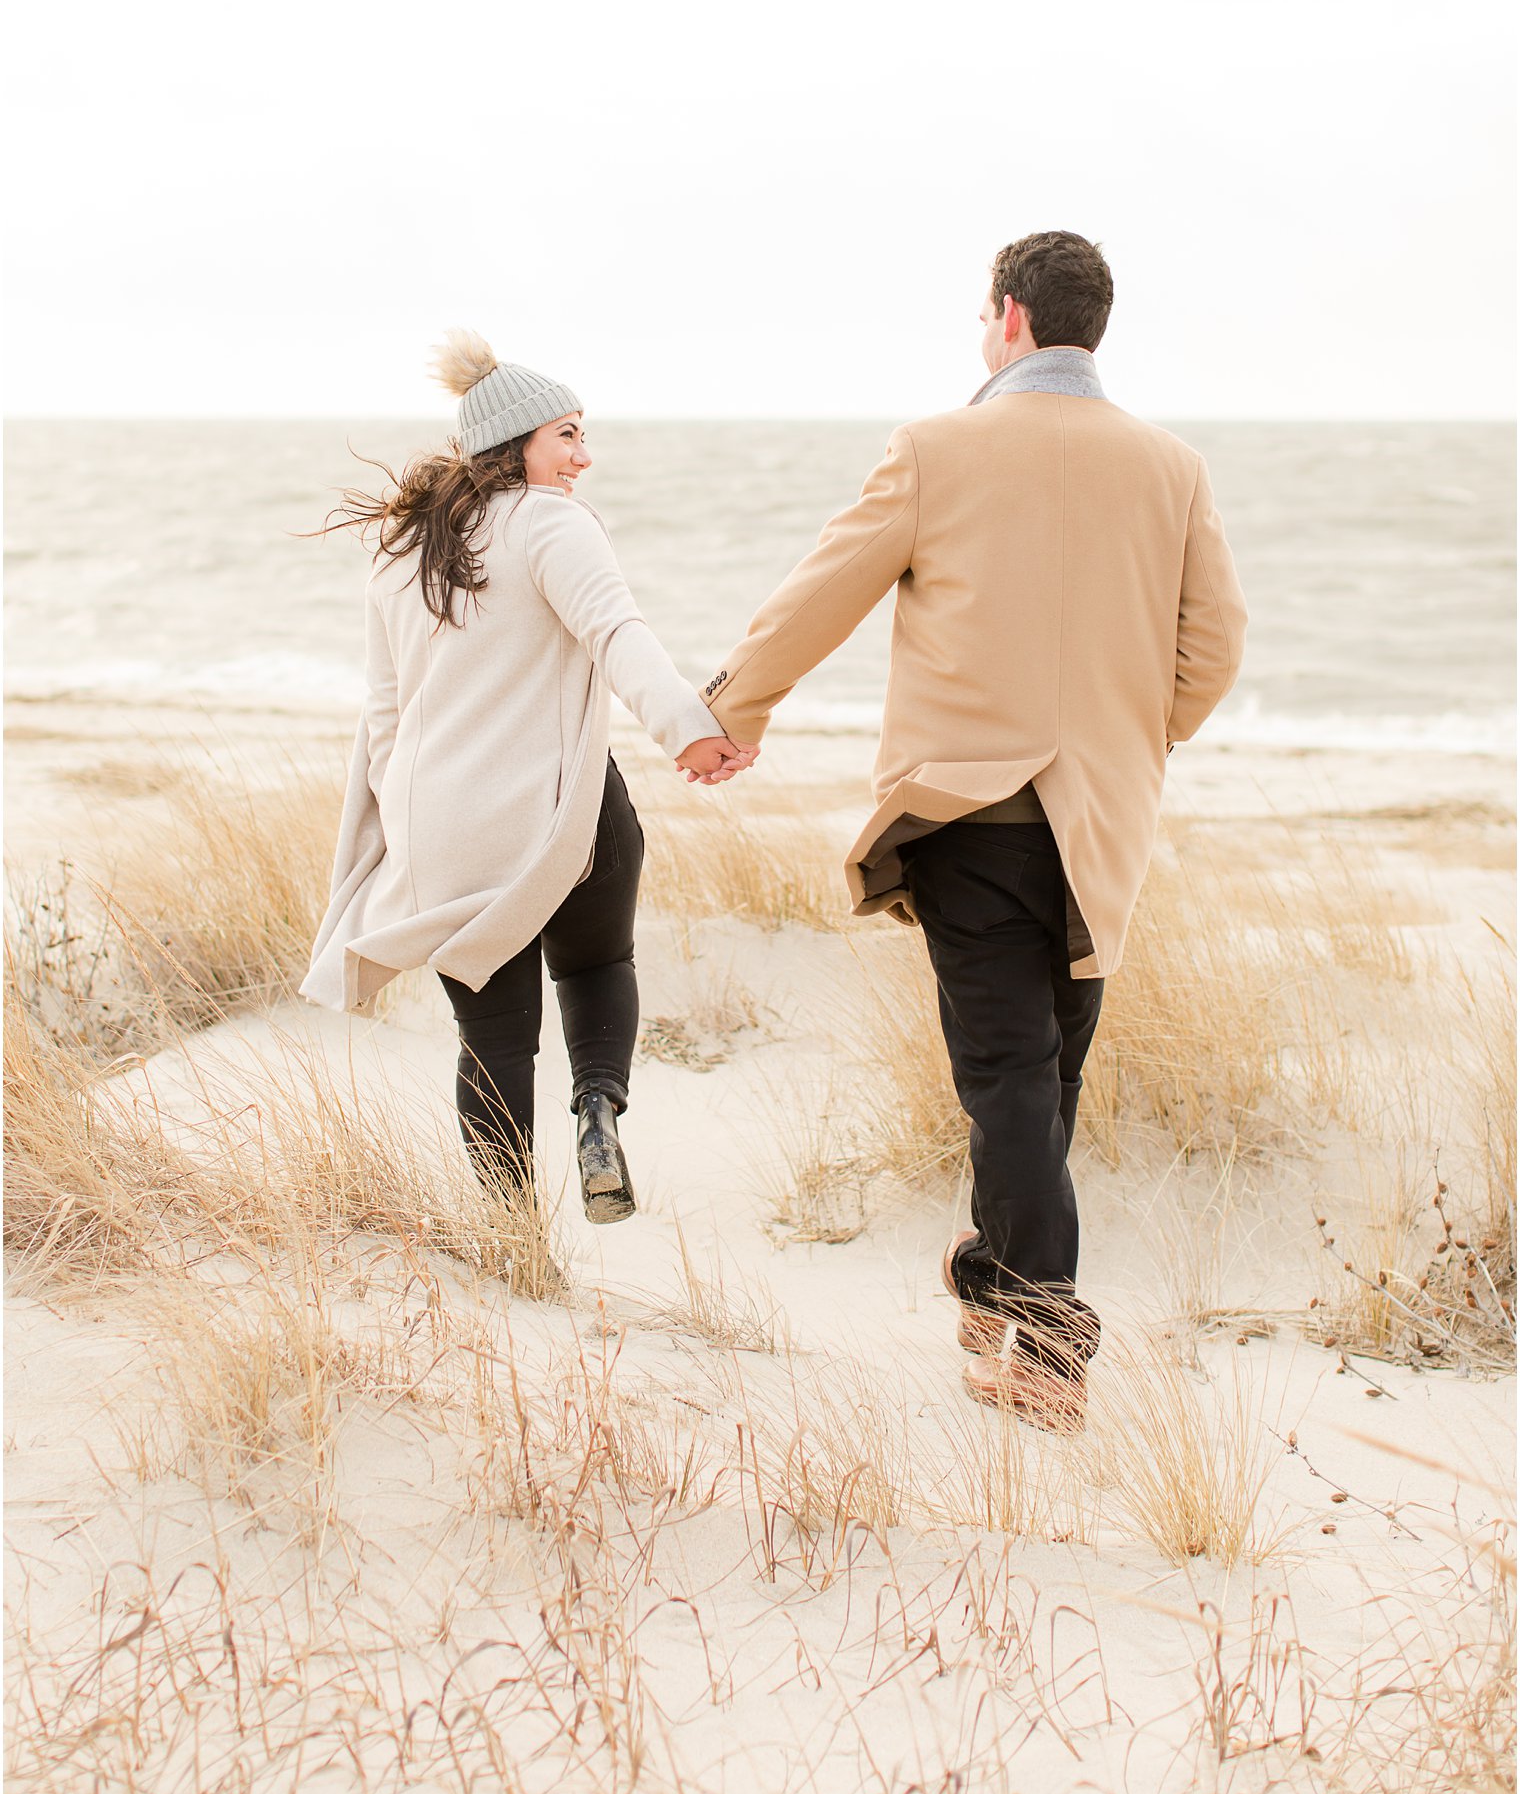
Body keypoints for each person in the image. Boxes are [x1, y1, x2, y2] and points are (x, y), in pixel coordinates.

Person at [701, 232, 1246, 1431]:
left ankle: (1045, 1345)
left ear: (1006, 318)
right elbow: (1210, 655)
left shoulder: (935, 448)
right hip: (1098, 821)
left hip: (967, 814)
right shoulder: (1171, 467)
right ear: (1090, 326)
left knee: (1010, 1081)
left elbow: (822, 590)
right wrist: (1128, 739)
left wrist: (733, 709)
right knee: (1047, 1075)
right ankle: (989, 1275)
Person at [302, 331, 755, 1222]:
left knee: (494, 1037)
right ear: (515, 447)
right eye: (568, 437)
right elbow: (618, 632)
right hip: (562, 822)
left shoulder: (401, 551)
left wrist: (408, 814)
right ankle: (596, 1111)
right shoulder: (551, 522)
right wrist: (689, 732)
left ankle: (513, 1235)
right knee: (598, 961)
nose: (585, 457)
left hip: (447, 833)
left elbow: (384, 713)